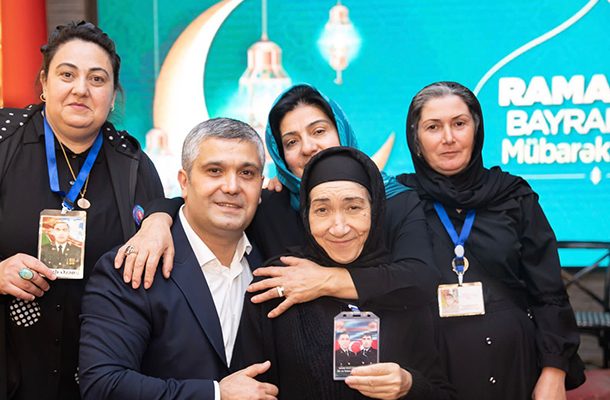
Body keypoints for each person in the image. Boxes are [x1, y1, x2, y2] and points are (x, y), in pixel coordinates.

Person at [125, 84, 439, 318]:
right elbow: (204, 207)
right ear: (280, 155)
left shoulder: (394, 200)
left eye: (319, 131)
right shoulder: (271, 207)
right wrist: (157, 219)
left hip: (391, 363)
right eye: (291, 142)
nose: (308, 147)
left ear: (341, 131)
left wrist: (325, 281)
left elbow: (420, 279)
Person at [0, 21, 165, 400]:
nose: (81, 89)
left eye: (97, 79)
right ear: (44, 83)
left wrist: (163, 216)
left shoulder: (134, 164)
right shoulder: (4, 140)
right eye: (67, 74)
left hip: (102, 377)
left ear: (113, 95)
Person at [397, 81, 586, 400]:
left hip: (515, 367)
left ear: (477, 130)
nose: (448, 137)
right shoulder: (399, 200)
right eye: (433, 127)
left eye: (459, 123)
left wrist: (554, 371)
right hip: (429, 374)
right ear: (416, 139)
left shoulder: (514, 196)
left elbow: (549, 292)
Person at [233, 146, 456, 400]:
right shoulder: (277, 283)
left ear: (375, 210)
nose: (339, 228)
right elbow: (249, 388)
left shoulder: (402, 289)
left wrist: (410, 385)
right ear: (306, 214)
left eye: (353, 207)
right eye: (322, 210)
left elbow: (444, 392)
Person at [79, 118, 278, 399]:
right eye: (215, 171)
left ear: (261, 186)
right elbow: (103, 385)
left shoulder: (271, 262)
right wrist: (215, 394)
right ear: (184, 182)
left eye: (247, 173)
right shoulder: (134, 266)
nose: (232, 187)